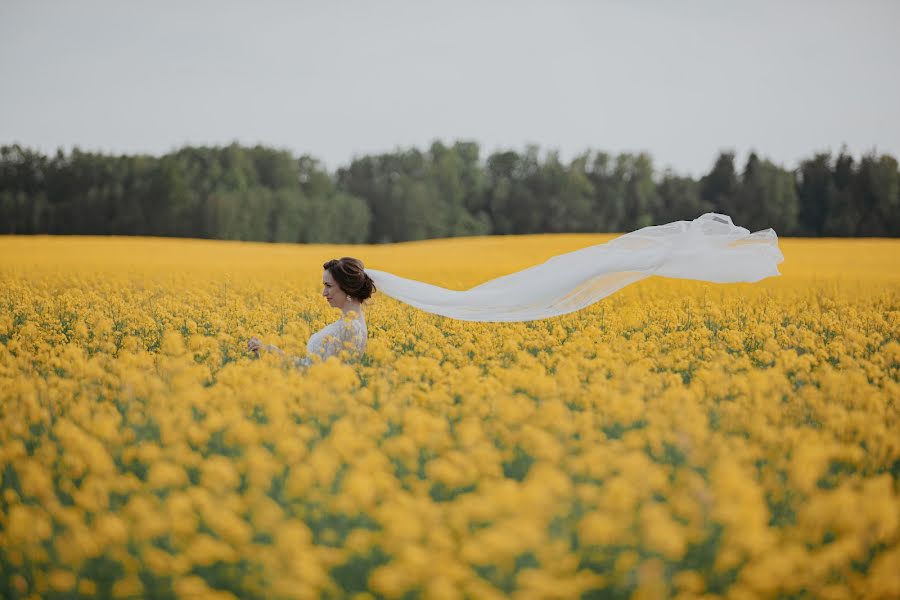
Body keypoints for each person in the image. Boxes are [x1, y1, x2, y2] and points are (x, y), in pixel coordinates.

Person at [248, 257, 375, 368]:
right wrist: (269, 351)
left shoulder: (351, 327)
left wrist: (272, 352)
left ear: (347, 288)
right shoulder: (349, 324)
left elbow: (315, 372)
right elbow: (314, 368)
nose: (323, 293)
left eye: (328, 286)